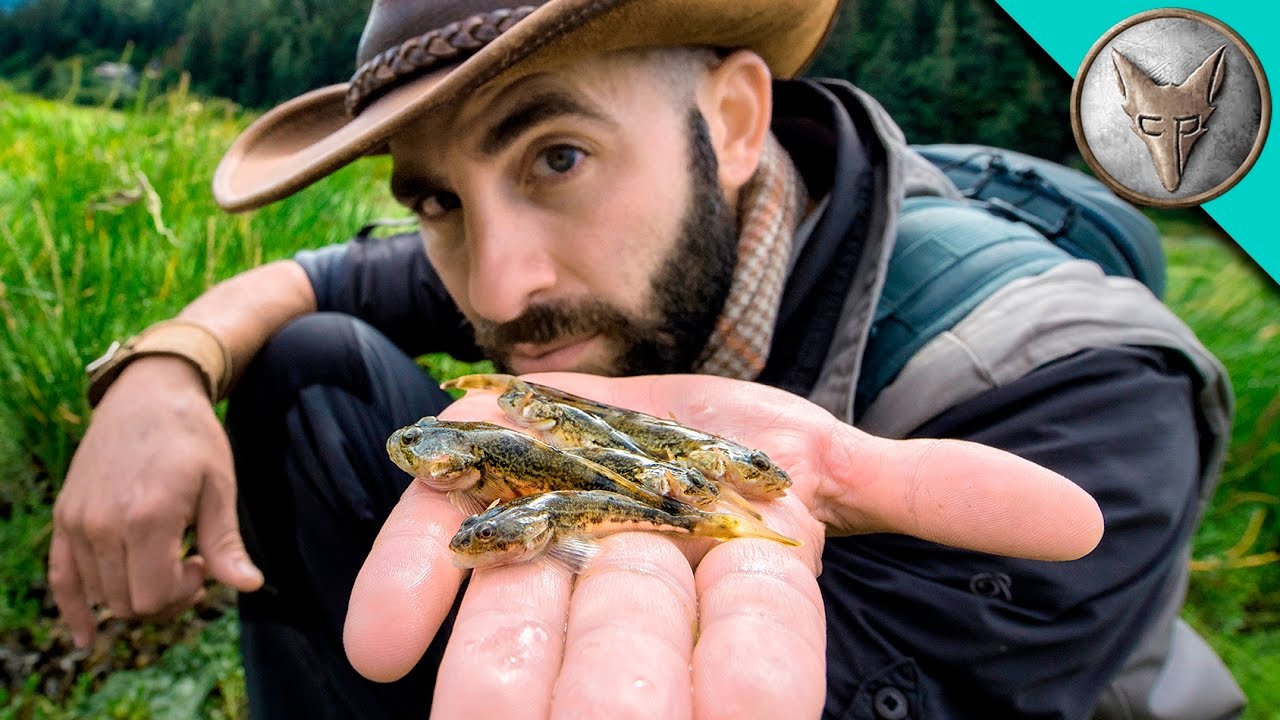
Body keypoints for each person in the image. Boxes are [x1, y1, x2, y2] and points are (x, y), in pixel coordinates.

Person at [48, 1, 1242, 718]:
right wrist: (159, 370)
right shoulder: (571, 283)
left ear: (729, 124)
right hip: (612, 527)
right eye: (438, 202)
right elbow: (309, 280)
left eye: (555, 156)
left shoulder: (1075, 386)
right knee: (304, 362)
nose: (500, 283)